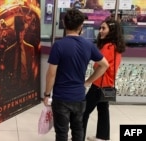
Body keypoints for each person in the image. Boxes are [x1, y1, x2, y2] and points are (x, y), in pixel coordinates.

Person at [43, 9, 109, 141]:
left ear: (64, 23)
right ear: (81, 26)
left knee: (62, 133)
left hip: (61, 97)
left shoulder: (58, 46)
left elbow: (51, 73)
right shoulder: (88, 45)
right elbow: (105, 65)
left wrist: (47, 94)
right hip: (79, 97)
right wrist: (88, 81)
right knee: (78, 130)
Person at [82, 18, 126, 141]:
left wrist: (87, 82)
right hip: (109, 85)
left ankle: (78, 137)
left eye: (103, 28)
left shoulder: (108, 47)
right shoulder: (116, 46)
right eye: (100, 28)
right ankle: (102, 136)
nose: (100, 31)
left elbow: (99, 65)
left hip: (99, 85)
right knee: (103, 110)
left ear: (111, 31)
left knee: (83, 111)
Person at [3, 15, 35, 93]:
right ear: (15, 32)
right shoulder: (8, 52)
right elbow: (5, 73)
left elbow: (31, 69)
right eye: (18, 32)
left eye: (21, 32)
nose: (20, 35)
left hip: (26, 86)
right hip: (12, 88)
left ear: (24, 32)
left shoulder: (30, 49)